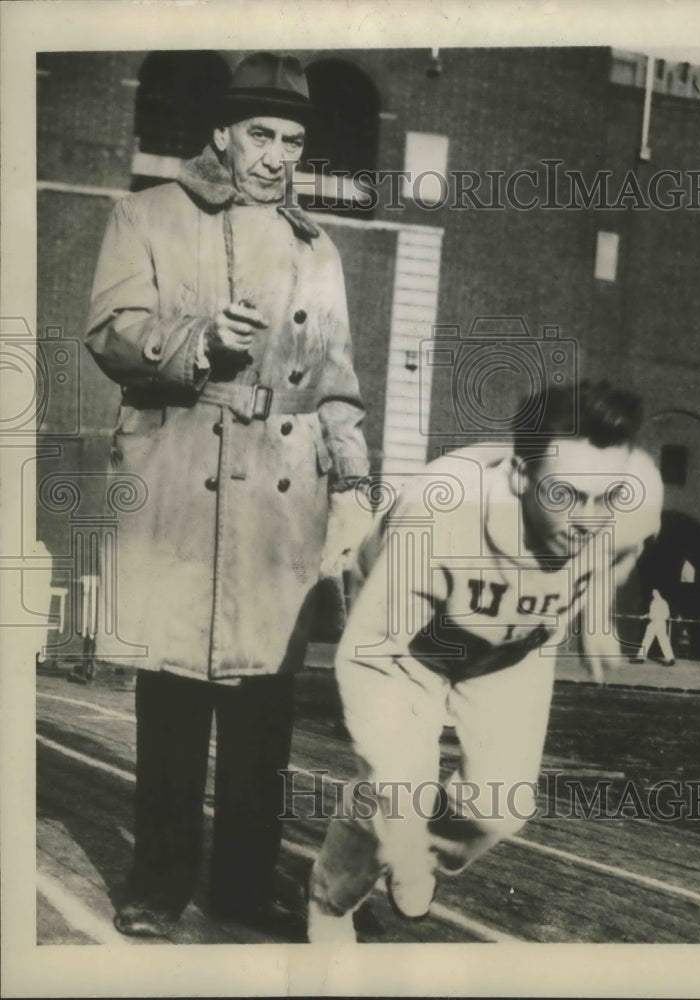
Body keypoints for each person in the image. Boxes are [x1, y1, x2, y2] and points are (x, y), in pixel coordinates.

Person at [85, 52, 370, 938]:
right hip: (179, 476)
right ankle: (156, 884)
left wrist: (356, 483)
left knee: (263, 710)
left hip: (280, 502)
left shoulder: (317, 249)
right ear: (222, 133)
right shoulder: (146, 215)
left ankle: (243, 887)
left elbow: (334, 386)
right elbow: (110, 332)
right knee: (172, 696)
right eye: (262, 134)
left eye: (293, 139)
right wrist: (200, 339)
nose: (279, 154)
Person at [306, 380, 663, 942]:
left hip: (513, 652)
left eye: (606, 497)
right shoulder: (442, 513)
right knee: (396, 789)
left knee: (500, 808)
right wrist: (391, 779)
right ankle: (330, 899)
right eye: (567, 496)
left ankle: (422, 852)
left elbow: (624, 546)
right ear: (521, 479)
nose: (591, 519)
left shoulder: (634, 493)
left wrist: (596, 615)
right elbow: (368, 654)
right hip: (416, 643)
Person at [630, 589, 676, 665]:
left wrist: (647, 616)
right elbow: (667, 614)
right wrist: (646, 616)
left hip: (654, 624)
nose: (653, 594)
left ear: (656, 593)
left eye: (654, 593)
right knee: (664, 641)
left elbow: (652, 615)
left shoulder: (653, 602)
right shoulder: (664, 602)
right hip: (661, 624)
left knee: (646, 641)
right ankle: (671, 659)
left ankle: (641, 658)